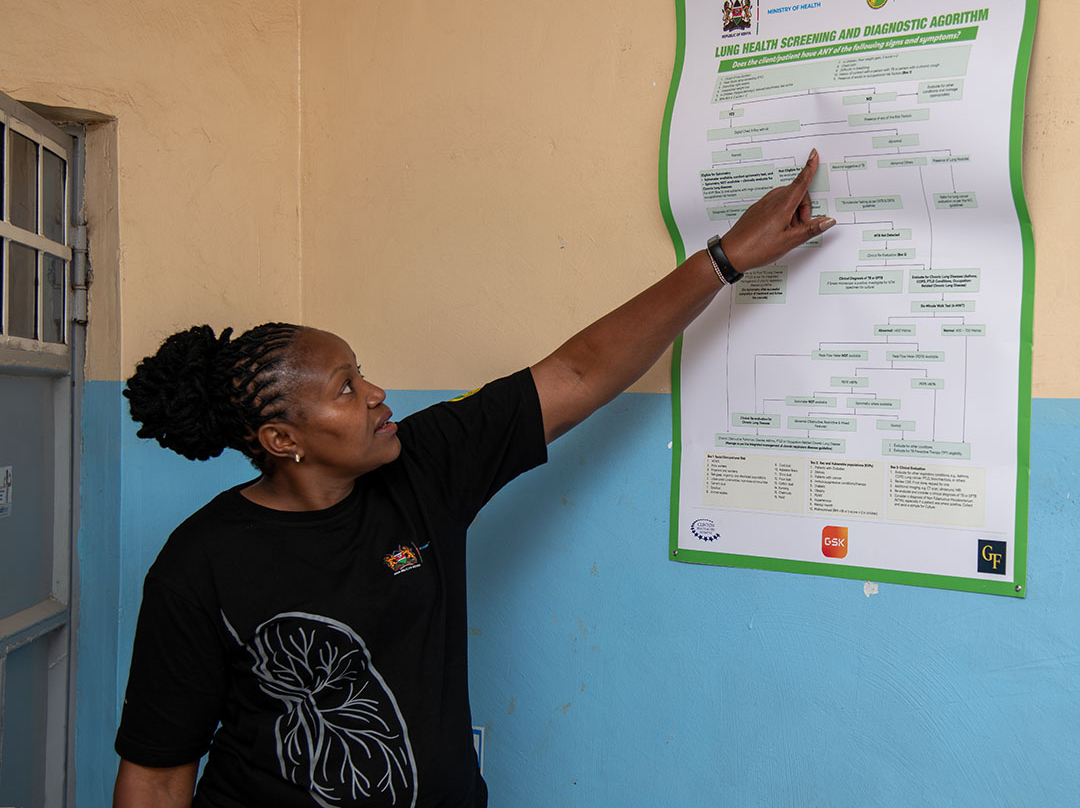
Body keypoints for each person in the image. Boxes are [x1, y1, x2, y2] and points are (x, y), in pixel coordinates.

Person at [113, 151, 834, 808]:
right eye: (344, 388)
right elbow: (156, 774)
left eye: (361, 371)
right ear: (282, 440)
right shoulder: (200, 563)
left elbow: (577, 372)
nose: (375, 394)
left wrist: (727, 257)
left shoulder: (422, 465)